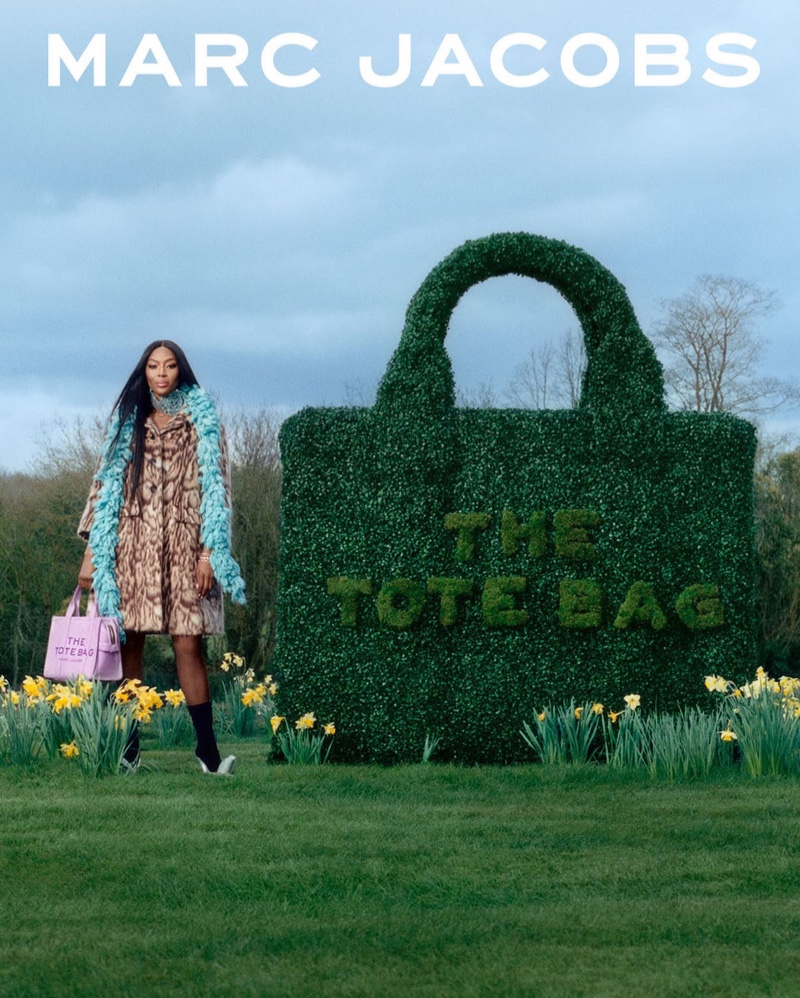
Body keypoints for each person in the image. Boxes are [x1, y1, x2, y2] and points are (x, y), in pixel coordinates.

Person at [77, 341, 246, 774]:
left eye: (170, 365)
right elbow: (103, 489)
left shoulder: (203, 421)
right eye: (154, 366)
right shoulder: (127, 421)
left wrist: (209, 554)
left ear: (180, 370)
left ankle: (208, 754)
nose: (162, 373)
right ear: (145, 372)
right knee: (128, 646)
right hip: (132, 549)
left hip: (188, 550)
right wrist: (93, 556)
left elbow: (219, 492)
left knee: (188, 645)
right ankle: (129, 751)